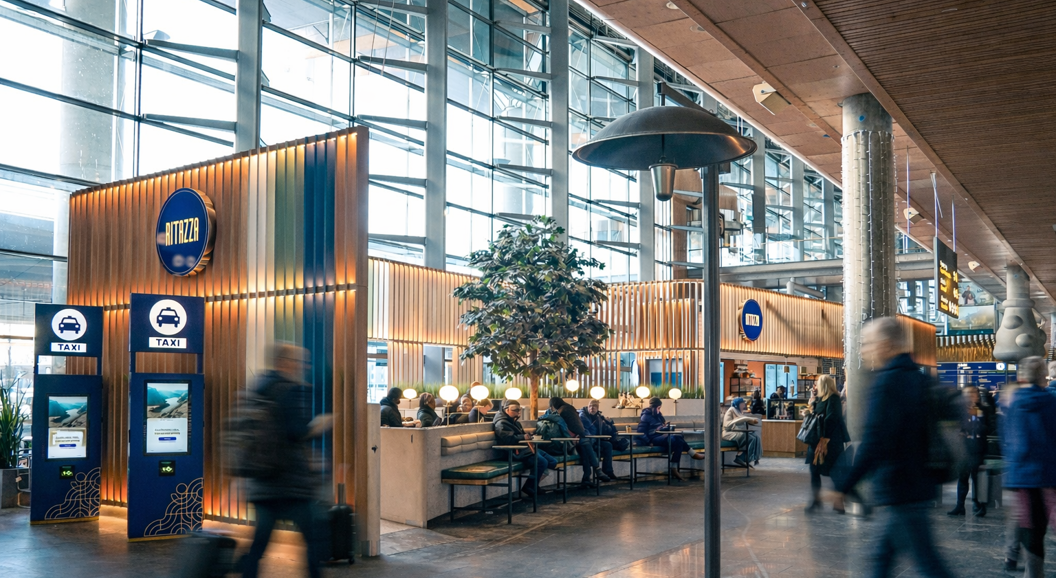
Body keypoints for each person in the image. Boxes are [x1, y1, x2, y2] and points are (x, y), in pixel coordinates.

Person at [835, 317, 955, 578]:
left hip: (900, 489)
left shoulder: (888, 383)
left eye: (868, 343)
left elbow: (875, 441)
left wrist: (844, 485)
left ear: (886, 345)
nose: (865, 350)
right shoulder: (920, 379)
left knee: (929, 565)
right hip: (917, 485)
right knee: (883, 559)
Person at [241, 343, 333, 578]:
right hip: (289, 483)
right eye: (301, 362)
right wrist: (319, 425)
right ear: (284, 362)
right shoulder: (289, 390)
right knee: (315, 538)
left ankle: (247, 573)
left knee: (259, 544)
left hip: (261, 480)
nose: (305, 366)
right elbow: (296, 432)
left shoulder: (257, 388)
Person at [1001, 356, 1056, 578]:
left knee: (1030, 534)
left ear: (1022, 376)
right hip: (1049, 476)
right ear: (1043, 376)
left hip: (1023, 478)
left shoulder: (1012, 403)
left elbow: (1010, 440)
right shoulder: (1051, 402)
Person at [803, 375, 849, 514]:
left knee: (834, 472)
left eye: (817, 384)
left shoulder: (833, 398)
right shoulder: (819, 399)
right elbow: (816, 414)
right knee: (814, 470)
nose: (815, 386)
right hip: (818, 440)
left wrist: (824, 437)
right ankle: (816, 500)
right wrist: (811, 401)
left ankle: (838, 501)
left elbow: (831, 419)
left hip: (829, 441)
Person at [493, 399, 557, 496]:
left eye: (519, 410)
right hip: (515, 452)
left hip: (526, 448)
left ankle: (533, 485)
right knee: (542, 462)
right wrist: (523, 437)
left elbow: (520, 435)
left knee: (553, 462)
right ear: (507, 410)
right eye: (515, 410)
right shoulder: (501, 423)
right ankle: (529, 486)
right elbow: (507, 440)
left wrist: (528, 435)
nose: (518, 412)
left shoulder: (515, 422)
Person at [948, 385, 995, 517]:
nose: (968, 397)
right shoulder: (960, 410)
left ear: (976, 395)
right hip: (964, 449)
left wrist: (974, 412)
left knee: (977, 479)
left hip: (977, 449)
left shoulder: (983, 409)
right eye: (966, 394)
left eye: (971, 394)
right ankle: (960, 506)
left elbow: (982, 427)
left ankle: (979, 505)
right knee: (962, 478)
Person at [637, 397, 704, 481]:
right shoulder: (646, 416)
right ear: (656, 406)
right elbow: (641, 432)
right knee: (678, 438)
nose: (659, 409)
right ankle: (689, 456)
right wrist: (649, 441)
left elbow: (658, 428)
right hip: (653, 440)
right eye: (659, 408)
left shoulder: (658, 416)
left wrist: (665, 428)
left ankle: (674, 468)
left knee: (679, 441)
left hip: (660, 437)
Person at [547, 397, 606, 485]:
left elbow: (571, 427)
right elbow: (576, 426)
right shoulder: (569, 408)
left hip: (570, 440)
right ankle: (596, 470)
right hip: (568, 441)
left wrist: (576, 436)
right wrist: (577, 436)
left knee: (585, 448)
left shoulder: (561, 411)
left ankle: (587, 478)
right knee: (585, 444)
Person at [579, 399, 618, 481]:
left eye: (594, 406)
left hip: (595, 440)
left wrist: (609, 422)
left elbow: (608, 430)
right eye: (590, 406)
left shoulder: (598, 417)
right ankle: (597, 472)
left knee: (608, 445)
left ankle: (608, 471)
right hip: (588, 441)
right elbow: (588, 430)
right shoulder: (583, 415)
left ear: (597, 408)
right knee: (588, 447)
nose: (592, 408)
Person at [723, 397, 761, 468]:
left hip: (734, 432)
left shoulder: (738, 411)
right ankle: (742, 458)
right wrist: (748, 419)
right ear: (738, 404)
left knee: (756, 437)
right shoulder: (732, 409)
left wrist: (751, 420)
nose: (744, 405)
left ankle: (746, 457)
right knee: (750, 438)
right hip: (728, 433)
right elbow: (728, 424)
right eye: (742, 404)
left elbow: (741, 419)